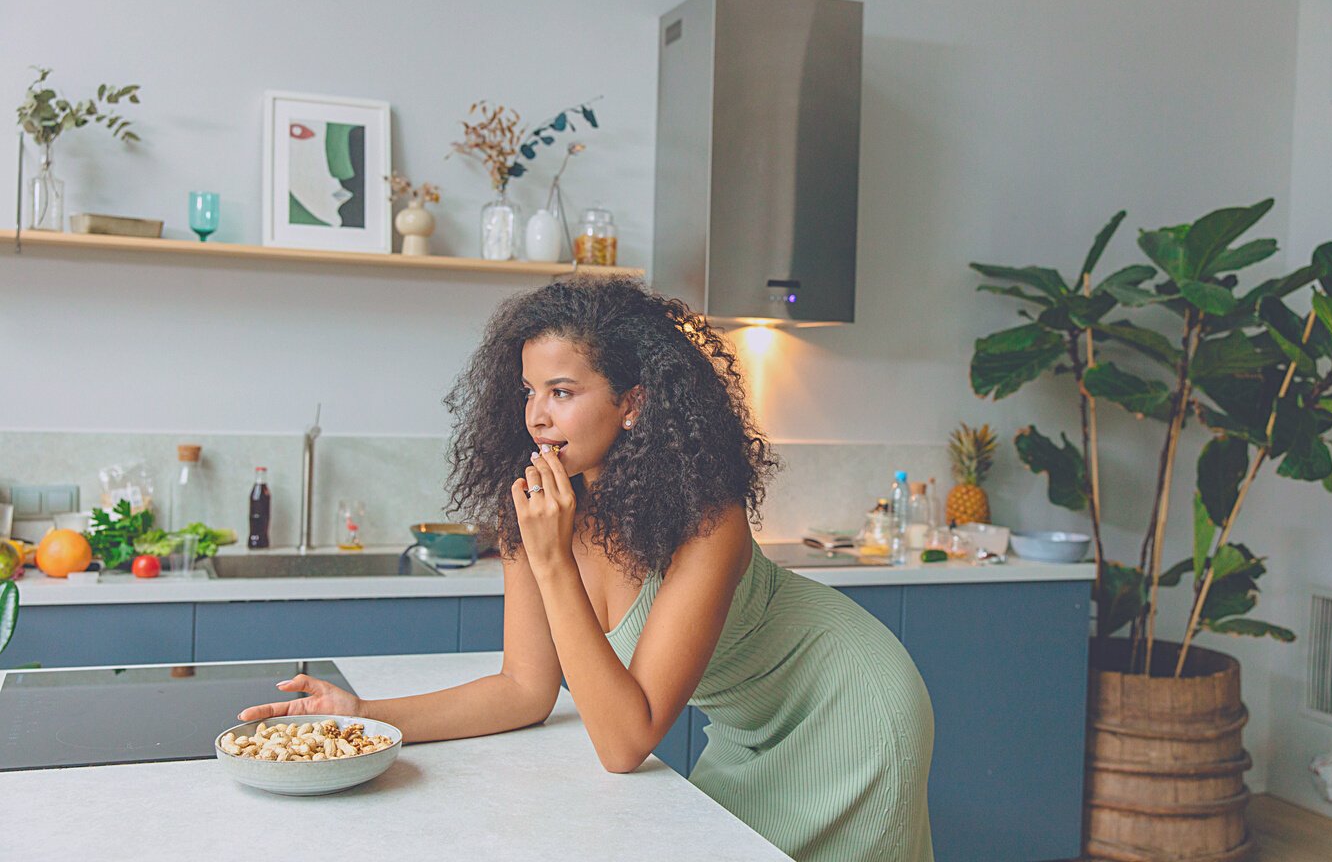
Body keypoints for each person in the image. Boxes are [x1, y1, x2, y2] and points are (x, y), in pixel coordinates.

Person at [239, 277, 935, 862]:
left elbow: (625, 742)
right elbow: (523, 689)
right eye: (528, 391)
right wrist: (366, 719)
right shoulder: (537, 509)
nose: (537, 416)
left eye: (563, 391)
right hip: (747, 726)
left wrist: (553, 562)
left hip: (847, 707)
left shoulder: (707, 516)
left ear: (632, 402)